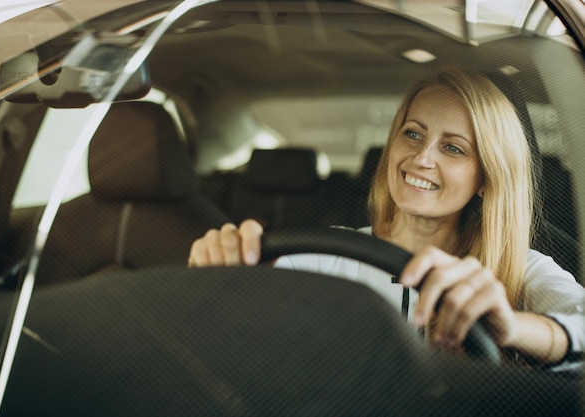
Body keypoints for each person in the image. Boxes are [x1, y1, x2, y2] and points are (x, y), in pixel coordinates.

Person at [188, 67, 584, 370]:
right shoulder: (329, 253)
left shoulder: (520, 269)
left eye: (453, 148)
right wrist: (221, 270)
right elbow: (240, 326)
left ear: (486, 178)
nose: (422, 158)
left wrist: (513, 328)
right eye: (412, 134)